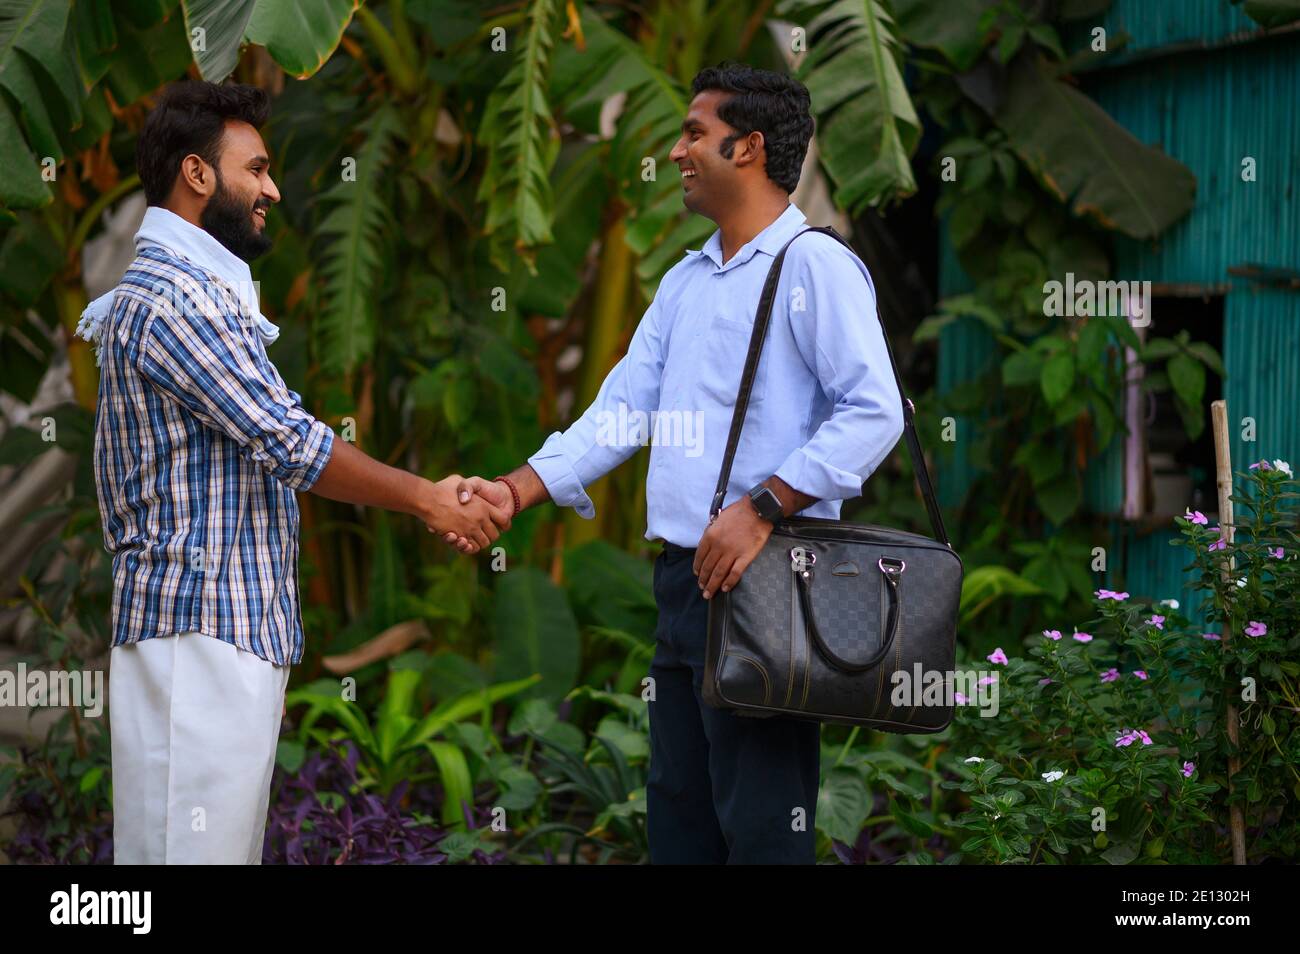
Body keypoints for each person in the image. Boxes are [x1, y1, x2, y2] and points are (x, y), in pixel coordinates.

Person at [448, 64, 904, 863]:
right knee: (679, 825)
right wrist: (514, 491)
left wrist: (763, 507)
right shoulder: (686, 281)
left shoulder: (813, 266)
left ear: (750, 147)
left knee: (764, 830)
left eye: (695, 133)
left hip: (770, 585)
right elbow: (623, 411)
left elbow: (876, 412)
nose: (677, 149)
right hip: (682, 583)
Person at [77, 80, 510, 864]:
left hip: (222, 636)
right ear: (197, 175)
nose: (273, 188)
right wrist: (426, 499)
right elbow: (290, 442)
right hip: (194, 635)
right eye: (258, 168)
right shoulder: (175, 301)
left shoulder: (205, 295)